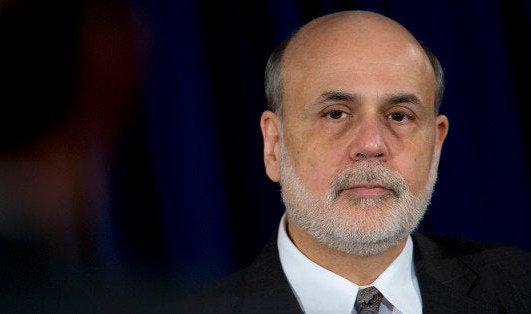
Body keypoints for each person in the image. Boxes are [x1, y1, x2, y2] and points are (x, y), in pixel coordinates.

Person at [175, 9, 531, 313]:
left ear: (436, 145)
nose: (372, 144)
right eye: (335, 114)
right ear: (274, 144)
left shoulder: (520, 287)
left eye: (399, 116)